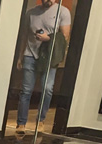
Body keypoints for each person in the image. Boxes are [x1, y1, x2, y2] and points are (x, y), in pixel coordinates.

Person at [15, 0, 71, 133]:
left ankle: (41, 120)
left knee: (47, 89)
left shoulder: (63, 12)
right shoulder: (31, 13)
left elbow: (64, 37)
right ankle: (21, 123)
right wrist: (20, 56)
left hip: (49, 56)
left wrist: (48, 38)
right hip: (30, 54)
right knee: (26, 90)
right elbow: (24, 35)